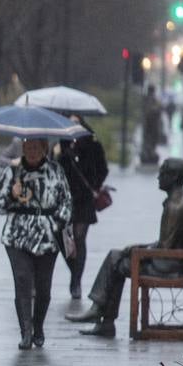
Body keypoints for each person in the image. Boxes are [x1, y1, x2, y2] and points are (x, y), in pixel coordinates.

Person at [65, 157, 183, 339]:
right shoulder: (178, 200)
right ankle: (103, 319)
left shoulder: (176, 206)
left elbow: (164, 248)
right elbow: (165, 243)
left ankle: (100, 313)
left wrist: (138, 251)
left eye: (163, 173)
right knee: (117, 258)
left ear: (173, 177)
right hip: (173, 261)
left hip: (169, 267)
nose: (158, 177)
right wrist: (138, 247)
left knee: (116, 260)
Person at [0, 136, 72, 350]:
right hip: (17, 236)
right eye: (28, 147)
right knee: (22, 281)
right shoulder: (12, 172)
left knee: (43, 288)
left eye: (37, 148)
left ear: (44, 149)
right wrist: (12, 194)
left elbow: (66, 202)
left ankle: (38, 327)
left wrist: (57, 222)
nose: (32, 152)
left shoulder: (55, 171)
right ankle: (25, 332)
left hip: (47, 237)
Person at [55, 117, 109, 300]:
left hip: (84, 199)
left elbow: (102, 169)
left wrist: (95, 185)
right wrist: (62, 155)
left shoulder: (92, 146)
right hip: (65, 199)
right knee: (63, 237)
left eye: (76, 122)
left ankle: (76, 281)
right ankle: (74, 270)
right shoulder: (61, 146)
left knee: (79, 237)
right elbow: (55, 170)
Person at [141, 85, 162, 164]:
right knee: (150, 140)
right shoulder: (150, 100)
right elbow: (153, 110)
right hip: (150, 124)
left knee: (149, 140)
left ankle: (149, 153)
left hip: (150, 124)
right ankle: (149, 153)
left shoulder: (148, 99)